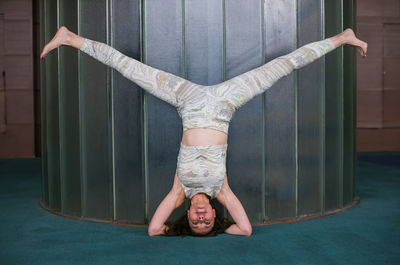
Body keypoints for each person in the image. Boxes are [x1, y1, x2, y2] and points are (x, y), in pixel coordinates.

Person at [40, 26, 368, 237]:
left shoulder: (178, 192)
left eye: (195, 223)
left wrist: (175, 230)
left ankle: (70, 38)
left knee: (132, 69)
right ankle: (342, 38)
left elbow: (154, 229)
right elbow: (246, 229)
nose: (200, 219)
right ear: (214, 213)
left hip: (189, 101)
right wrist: (223, 229)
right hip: (226, 104)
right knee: (282, 66)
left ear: (188, 215)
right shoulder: (221, 190)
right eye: (206, 222)